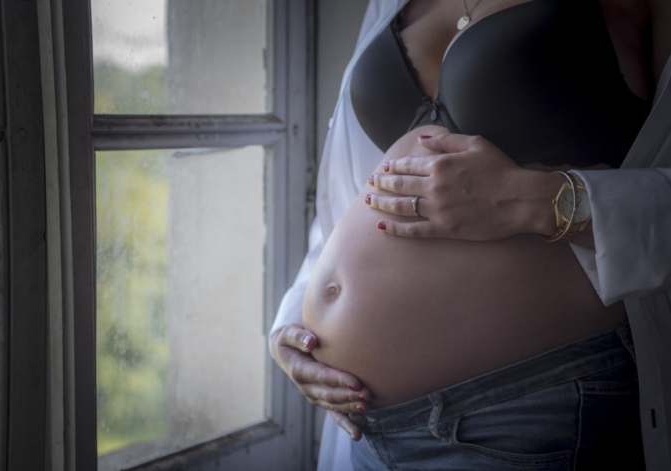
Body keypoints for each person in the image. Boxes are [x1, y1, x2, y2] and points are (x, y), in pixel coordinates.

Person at [270, 0, 671, 469]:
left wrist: (537, 201)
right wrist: (295, 319)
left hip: (524, 412)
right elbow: (353, 189)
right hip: (361, 426)